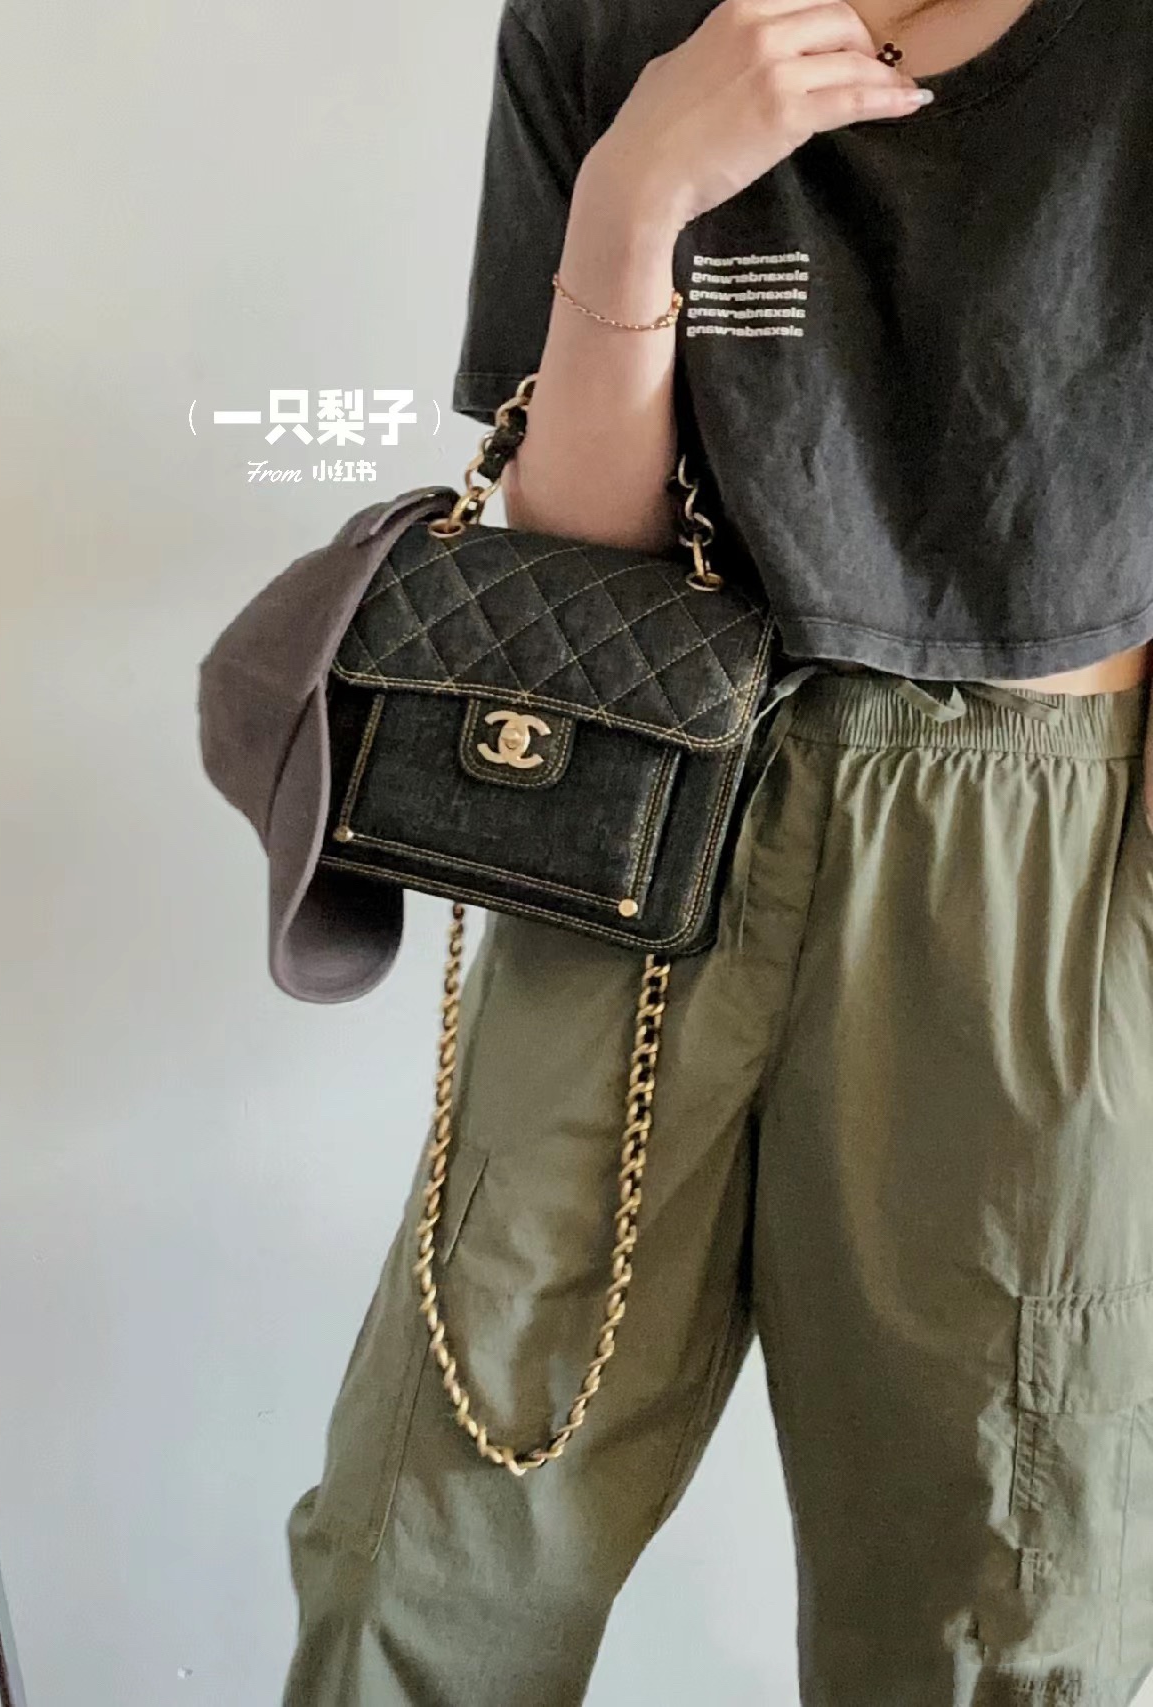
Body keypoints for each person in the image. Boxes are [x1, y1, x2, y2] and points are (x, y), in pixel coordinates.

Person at [282, 0, 1153, 1700]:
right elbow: (585, 543)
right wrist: (636, 194)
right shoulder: (598, 18)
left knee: (996, 1606)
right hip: (646, 807)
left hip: (1032, 852)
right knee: (419, 1565)